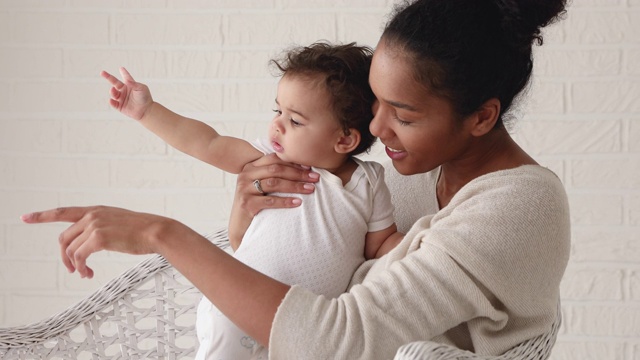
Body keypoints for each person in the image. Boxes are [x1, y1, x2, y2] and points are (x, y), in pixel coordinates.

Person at [20, 0, 571, 359]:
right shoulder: (404, 173)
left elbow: (338, 337)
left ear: (482, 115)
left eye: (402, 115)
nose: (374, 130)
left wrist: (161, 234)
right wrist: (244, 217)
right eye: (374, 104)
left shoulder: (519, 208)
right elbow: (298, 254)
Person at [99, 42, 403, 359]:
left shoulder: (368, 181)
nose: (277, 125)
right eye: (278, 111)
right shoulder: (269, 161)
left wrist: (422, 242)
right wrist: (148, 112)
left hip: (299, 327)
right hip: (237, 306)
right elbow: (206, 142)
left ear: (344, 139)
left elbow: (380, 245)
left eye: (295, 121)